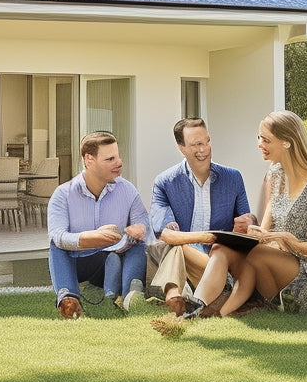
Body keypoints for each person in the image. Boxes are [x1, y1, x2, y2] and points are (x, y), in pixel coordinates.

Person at [185, 110, 307, 317]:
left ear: (287, 142)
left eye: (265, 139)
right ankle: (196, 305)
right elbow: (265, 230)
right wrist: (253, 233)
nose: (259, 144)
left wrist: (293, 243)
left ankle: (226, 306)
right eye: (259, 138)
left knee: (253, 255)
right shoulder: (274, 176)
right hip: (277, 259)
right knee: (222, 247)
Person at [148, 117, 255, 316]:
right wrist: (206, 236)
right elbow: (167, 235)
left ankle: (173, 293)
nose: (204, 149)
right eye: (196, 144)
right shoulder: (165, 182)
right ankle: (181, 294)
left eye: (207, 141)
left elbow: (246, 227)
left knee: (175, 247)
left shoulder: (233, 178)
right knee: (172, 246)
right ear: (181, 147)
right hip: (189, 260)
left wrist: (249, 222)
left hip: (220, 260)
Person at [47, 131, 149, 319]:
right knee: (56, 246)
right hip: (78, 262)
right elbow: (57, 235)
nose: (119, 163)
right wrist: (90, 237)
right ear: (89, 160)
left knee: (137, 244)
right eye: (110, 159)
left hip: (110, 258)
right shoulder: (63, 194)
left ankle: (131, 296)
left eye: (118, 156)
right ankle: (68, 298)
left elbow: (143, 221)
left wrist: (141, 227)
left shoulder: (127, 190)